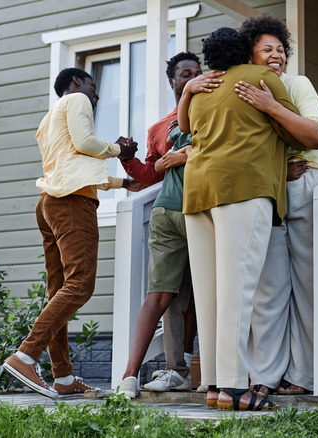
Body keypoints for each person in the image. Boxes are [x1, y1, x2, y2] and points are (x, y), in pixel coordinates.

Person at [177, 27, 306, 411]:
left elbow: (184, 129)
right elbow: (304, 136)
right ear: (246, 52)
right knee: (238, 292)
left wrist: (186, 91)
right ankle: (235, 389)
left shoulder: (201, 88)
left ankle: (216, 385)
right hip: (243, 190)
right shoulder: (260, 78)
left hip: (198, 194)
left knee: (210, 295)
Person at [3, 67, 137, 399]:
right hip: (72, 204)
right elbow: (86, 143)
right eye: (94, 86)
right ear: (76, 82)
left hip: (51, 202)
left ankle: (62, 378)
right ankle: (24, 356)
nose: (97, 95)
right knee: (80, 285)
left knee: (59, 291)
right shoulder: (76, 99)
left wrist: (123, 182)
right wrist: (119, 149)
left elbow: (74, 167)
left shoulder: (48, 121)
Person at [238, 13, 318, 397]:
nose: (276, 56)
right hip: (267, 191)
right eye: (267, 50)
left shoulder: (296, 84)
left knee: (309, 286)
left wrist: (271, 105)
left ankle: (304, 376)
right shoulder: (238, 89)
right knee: (269, 288)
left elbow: (317, 136)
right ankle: (265, 376)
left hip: (308, 185)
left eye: (280, 50)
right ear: (250, 54)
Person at [114, 52, 203, 398]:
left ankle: (193, 365)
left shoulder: (215, 111)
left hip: (203, 208)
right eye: (184, 74)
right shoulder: (159, 128)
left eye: (197, 73)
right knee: (169, 294)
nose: (192, 78)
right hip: (172, 209)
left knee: (198, 294)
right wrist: (128, 159)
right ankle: (149, 372)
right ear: (173, 82)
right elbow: (152, 177)